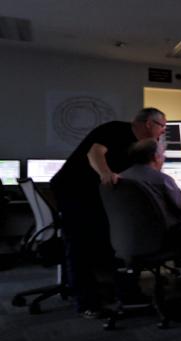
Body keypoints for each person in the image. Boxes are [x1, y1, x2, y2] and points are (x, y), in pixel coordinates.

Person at [50, 108, 168, 318]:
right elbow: (94, 152)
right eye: (163, 127)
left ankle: (127, 294)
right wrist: (105, 173)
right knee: (79, 246)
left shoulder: (138, 147)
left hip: (99, 196)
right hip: (74, 191)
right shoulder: (116, 129)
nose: (163, 132)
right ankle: (86, 303)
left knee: (115, 242)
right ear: (150, 123)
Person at [119, 139, 181, 307]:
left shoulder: (120, 178)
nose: (163, 158)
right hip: (161, 241)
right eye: (162, 154)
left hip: (128, 241)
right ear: (156, 157)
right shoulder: (160, 179)